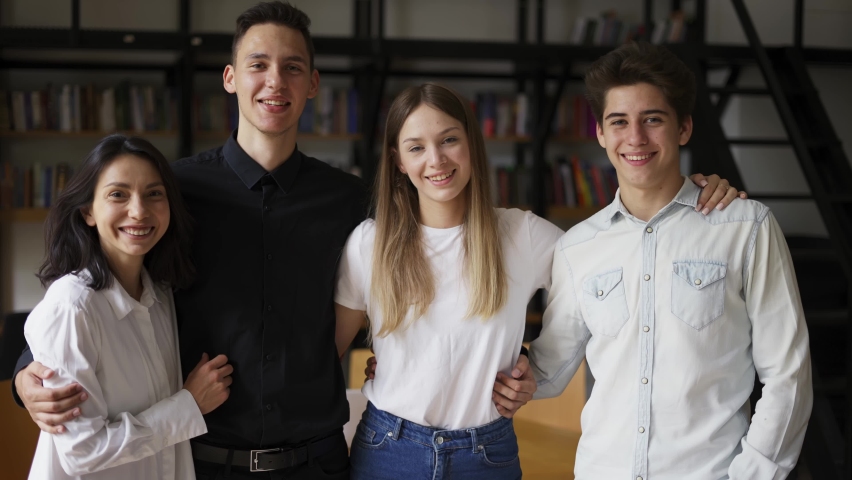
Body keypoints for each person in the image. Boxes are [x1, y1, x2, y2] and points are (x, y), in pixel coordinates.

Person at [335, 83, 745, 480]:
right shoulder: (370, 243)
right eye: (416, 147)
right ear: (399, 161)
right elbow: (326, 355)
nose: (436, 160)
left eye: (449, 140)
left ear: (472, 145)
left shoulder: (522, 234)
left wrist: (686, 198)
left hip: (486, 454)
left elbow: (624, 259)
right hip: (389, 448)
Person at [528, 41, 812, 479]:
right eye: (619, 122)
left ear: (684, 128)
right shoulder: (577, 246)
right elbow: (546, 372)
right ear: (601, 134)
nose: (635, 138)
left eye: (653, 120)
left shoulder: (745, 227)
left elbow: (788, 374)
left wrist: (753, 474)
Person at [23, 135, 232, 479]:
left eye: (154, 194)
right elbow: (82, 452)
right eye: (118, 194)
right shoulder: (72, 307)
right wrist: (188, 405)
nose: (139, 211)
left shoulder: (161, 295)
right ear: (88, 211)